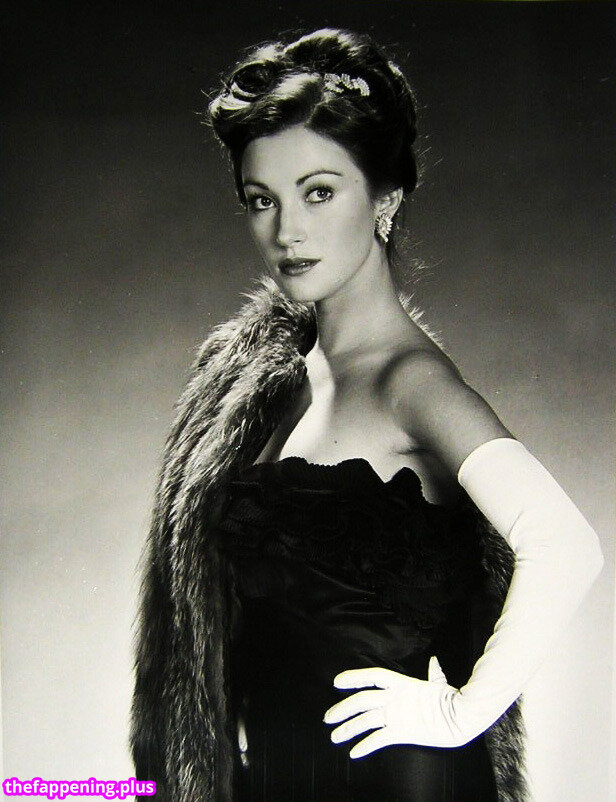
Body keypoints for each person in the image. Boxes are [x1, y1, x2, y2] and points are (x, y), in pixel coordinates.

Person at [129, 28, 604, 802]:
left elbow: (566, 545)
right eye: (262, 200)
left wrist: (460, 714)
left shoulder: (414, 383)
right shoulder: (260, 382)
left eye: (319, 192)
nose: (287, 230)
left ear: (385, 199)